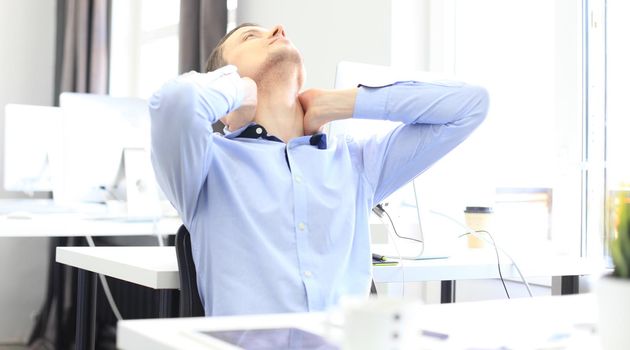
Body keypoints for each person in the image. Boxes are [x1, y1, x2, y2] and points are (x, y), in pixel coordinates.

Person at [149, 23, 489, 316]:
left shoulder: (356, 162)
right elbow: (175, 102)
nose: (279, 30)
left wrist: (345, 102)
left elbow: (470, 106)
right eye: (252, 36)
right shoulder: (205, 165)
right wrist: (240, 91)